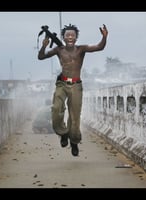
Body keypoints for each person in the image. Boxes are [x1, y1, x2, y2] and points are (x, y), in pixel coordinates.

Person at [38, 24, 108, 156]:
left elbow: (99, 47)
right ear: (63, 37)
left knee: (75, 117)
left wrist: (104, 37)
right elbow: (41, 57)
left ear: (76, 38)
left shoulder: (81, 49)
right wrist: (44, 45)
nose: (70, 37)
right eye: (67, 35)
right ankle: (63, 133)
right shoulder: (59, 50)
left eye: (72, 35)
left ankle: (74, 141)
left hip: (76, 85)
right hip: (62, 84)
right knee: (56, 108)